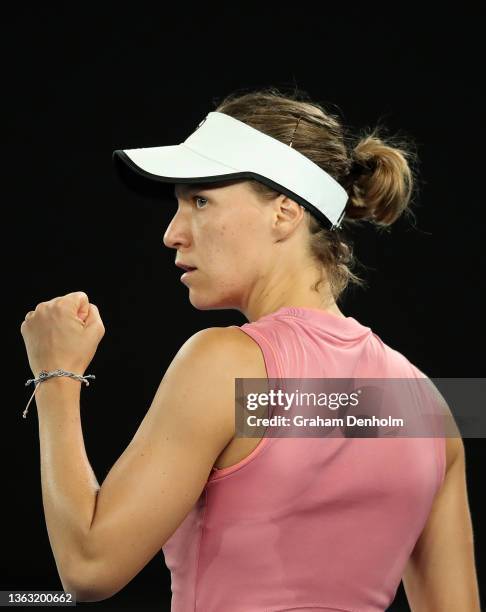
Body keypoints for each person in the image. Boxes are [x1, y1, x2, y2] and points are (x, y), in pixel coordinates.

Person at [31, 87, 481, 611]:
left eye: (201, 200)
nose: (172, 234)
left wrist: (55, 374)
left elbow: (89, 569)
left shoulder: (225, 366)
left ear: (285, 213)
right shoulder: (429, 408)